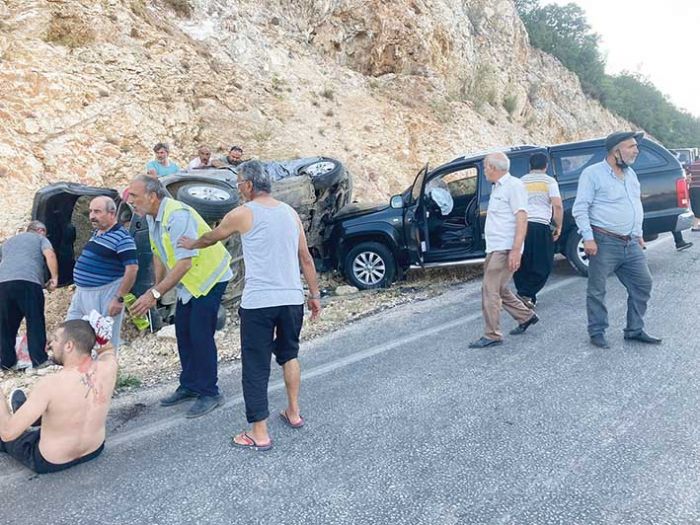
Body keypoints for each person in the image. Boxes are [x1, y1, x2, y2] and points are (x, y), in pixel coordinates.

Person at [178, 160, 321, 451]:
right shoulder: (290, 213)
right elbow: (306, 258)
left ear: (248, 185)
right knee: (289, 355)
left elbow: (213, 237)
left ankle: (259, 432)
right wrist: (315, 295)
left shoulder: (243, 213)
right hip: (292, 299)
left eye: (239, 182)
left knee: (255, 366)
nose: (237, 187)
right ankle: (293, 412)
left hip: (259, 303)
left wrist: (192, 244)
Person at [128, 175, 232, 418]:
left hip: (209, 277)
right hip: (190, 282)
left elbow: (184, 263)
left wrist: (154, 294)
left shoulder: (177, 215)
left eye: (134, 196)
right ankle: (190, 384)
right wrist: (155, 289)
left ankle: (210, 392)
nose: (129, 201)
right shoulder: (153, 217)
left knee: (199, 333)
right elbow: (158, 255)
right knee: (183, 330)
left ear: (152, 196)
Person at [572, 131, 661, 349]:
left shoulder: (631, 175)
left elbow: (635, 205)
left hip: (630, 242)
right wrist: (588, 238)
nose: (636, 150)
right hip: (604, 241)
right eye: (631, 147)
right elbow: (580, 208)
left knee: (643, 284)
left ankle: (634, 329)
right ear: (616, 151)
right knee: (597, 289)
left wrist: (638, 234)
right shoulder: (592, 174)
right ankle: (597, 331)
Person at [0, 319, 117, 474]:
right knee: (55, 406)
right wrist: (97, 334)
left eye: (55, 339)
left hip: (51, 461)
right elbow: (107, 350)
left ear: (69, 346)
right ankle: (27, 412)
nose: (50, 345)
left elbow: (8, 433)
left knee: (5, 435)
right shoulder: (109, 367)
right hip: (94, 449)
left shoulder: (50, 384)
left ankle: (24, 412)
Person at [468, 153, 539, 349]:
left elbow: (522, 217)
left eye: (485, 167)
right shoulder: (498, 187)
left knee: (489, 290)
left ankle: (492, 334)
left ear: (493, 168)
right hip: (495, 247)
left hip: (506, 249)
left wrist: (516, 250)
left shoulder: (513, 186)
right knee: (499, 288)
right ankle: (526, 316)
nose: (484, 171)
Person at [66, 197, 138, 351]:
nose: (92, 216)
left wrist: (119, 298)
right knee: (70, 332)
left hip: (104, 293)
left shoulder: (122, 238)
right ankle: (79, 372)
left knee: (104, 341)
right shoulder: (98, 233)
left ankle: (106, 373)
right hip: (82, 293)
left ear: (112, 213)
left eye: (97, 212)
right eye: (91, 211)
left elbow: (132, 268)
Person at [0, 221, 58, 369]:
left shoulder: (9, 242)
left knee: (6, 325)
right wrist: (54, 278)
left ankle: (7, 363)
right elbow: (50, 255)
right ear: (40, 230)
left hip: (3, 284)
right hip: (28, 282)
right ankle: (39, 361)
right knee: (35, 321)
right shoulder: (40, 238)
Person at [513, 152, 563, 307]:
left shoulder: (520, 182)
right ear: (546, 166)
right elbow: (558, 206)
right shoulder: (549, 182)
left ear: (530, 166)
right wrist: (558, 226)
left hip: (521, 225)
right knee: (544, 262)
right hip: (540, 226)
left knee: (523, 261)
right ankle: (526, 294)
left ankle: (526, 294)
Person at [689, 156, 700, 232]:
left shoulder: (692, 164)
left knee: (696, 206)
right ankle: (696, 226)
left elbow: (688, 177)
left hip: (693, 188)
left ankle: (695, 225)